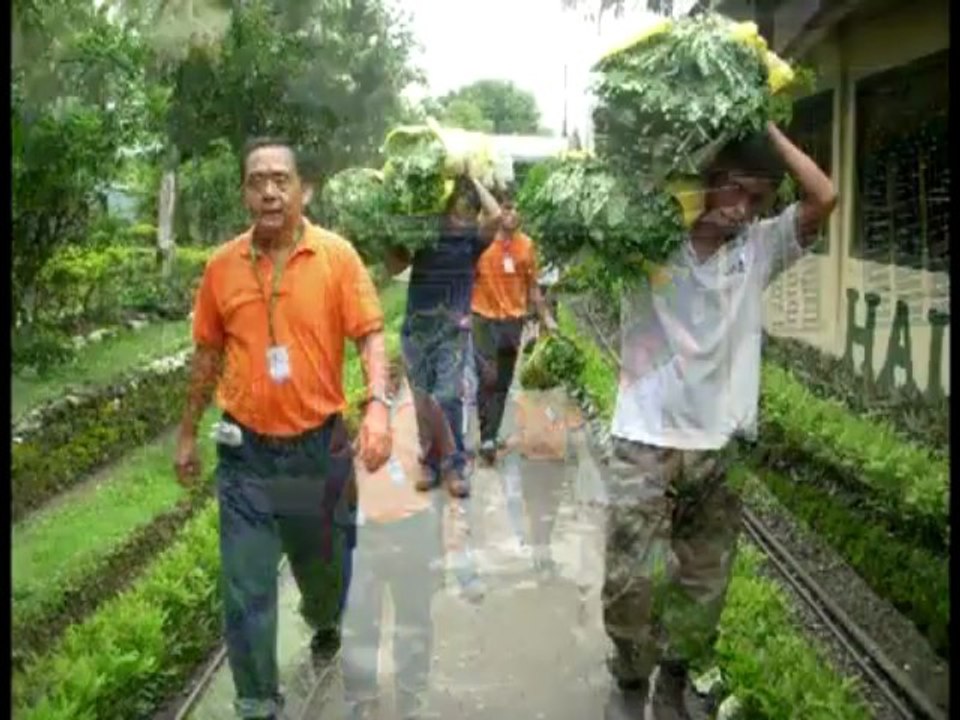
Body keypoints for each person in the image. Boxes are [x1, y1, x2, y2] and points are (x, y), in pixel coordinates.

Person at [602, 122, 837, 720]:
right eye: (736, 192)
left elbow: (824, 197)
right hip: (643, 438)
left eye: (759, 199)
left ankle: (671, 681)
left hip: (719, 443)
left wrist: (764, 124)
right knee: (632, 581)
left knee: (704, 583)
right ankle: (631, 673)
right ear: (707, 181)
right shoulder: (645, 241)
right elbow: (628, 183)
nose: (745, 210)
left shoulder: (759, 248)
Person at [173, 137, 392, 720]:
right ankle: (256, 704)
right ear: (245, 192)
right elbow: (206, 356)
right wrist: (189, 432)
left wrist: (377, 406)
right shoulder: (221, 268)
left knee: (325, 569)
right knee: (246, 588)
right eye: (256, 180)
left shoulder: (337, 258)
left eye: (280, 179)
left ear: (303, 188)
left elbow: (370, 334)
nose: (268, 190)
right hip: (246, 455)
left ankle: (324, 616)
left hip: (319, 451)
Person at [385, 173, 503, 499]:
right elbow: (393, 266)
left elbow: (495, 216)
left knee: (448, 395)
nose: (456, 215)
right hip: (417, 328)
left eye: (463, 208)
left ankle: (454, 465)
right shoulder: (424, 236)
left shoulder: (471, 241)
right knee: (423, 400)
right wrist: (388, 232)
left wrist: (471, 175)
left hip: (453, 329)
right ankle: (430, 463)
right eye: (451, 206)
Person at [341, 362, 442, 720]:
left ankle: (411, 696)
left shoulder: (425, 406)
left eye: (396, 370)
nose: (390, 377)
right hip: (367, 534)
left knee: (414, 618)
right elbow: (338, 469)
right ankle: (361, 699)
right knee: (359, 621)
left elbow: (445, 461)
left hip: (413, 528)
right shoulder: (355, 409)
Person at [471, 197, 558, 465]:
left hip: (513, 322)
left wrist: (546, 318)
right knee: (487, 376)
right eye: (505, 207)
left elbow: (532, 287)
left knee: (502, 382)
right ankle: (487, 436)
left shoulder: (526, 246)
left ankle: (489, 435)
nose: (511, 212)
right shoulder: (482, 243)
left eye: (515, 207)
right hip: (483, 318)